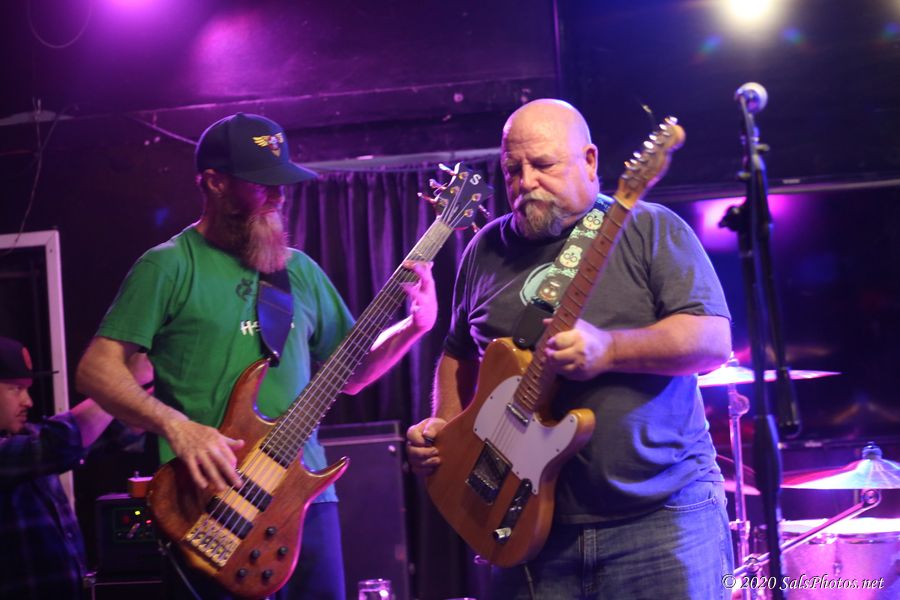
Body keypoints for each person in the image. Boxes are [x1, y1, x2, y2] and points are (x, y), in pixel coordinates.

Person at [75, 113, 438, 599]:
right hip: (211, 504)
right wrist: (178, 427)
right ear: (215, 183)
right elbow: (96, 370)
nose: (278, 195)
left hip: (304, 499)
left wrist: (413, 328)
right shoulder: (168, 265)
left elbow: (351, 374)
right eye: (261, 183)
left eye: (281, 182)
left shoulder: (300, 270)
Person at [406, 99, 734, 599]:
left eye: (543, 164)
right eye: (512, 169)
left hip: (659, 518)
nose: (526, 182)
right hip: (522, 526)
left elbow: (712, 342)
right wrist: (447, 432)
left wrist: (610, 350)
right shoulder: (484, 250)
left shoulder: (650, 228)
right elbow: (458, 353)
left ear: (590, 160)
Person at [0, 335, 135, 598]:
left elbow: (115, 434)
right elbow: (59, 443)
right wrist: (121, 385)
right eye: (15, 388)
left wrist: (144, 395)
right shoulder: (27, 447)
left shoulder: (25, 436)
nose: (28, 401)